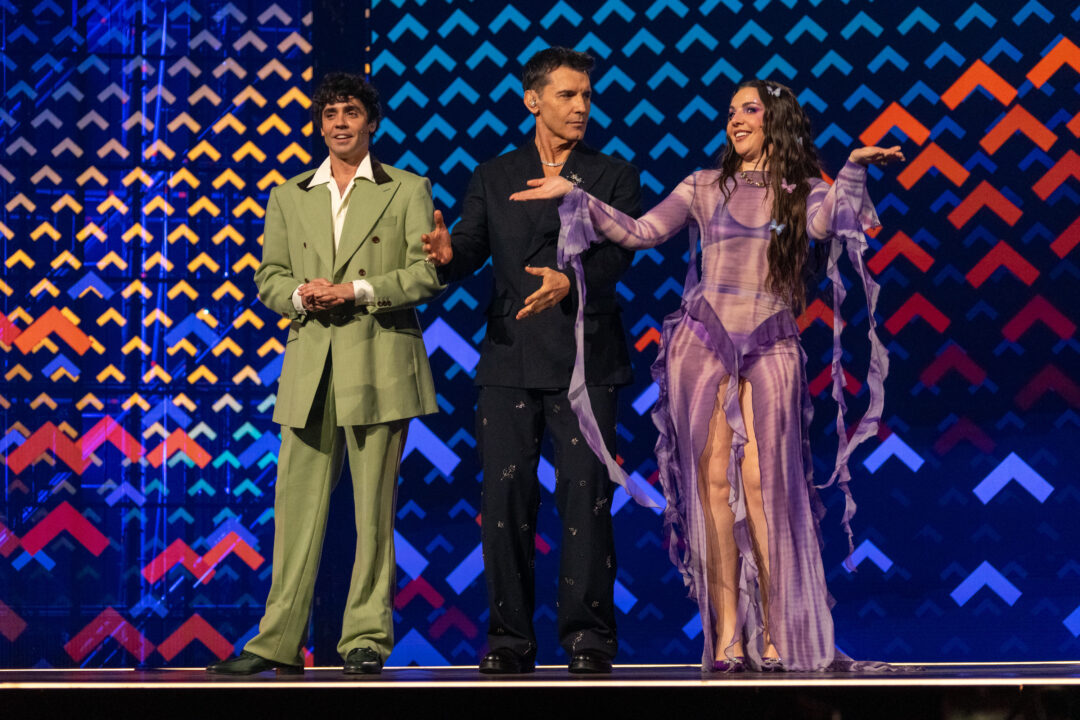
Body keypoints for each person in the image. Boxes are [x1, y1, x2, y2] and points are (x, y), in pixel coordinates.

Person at [510, 79, 903, 672]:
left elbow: (827, 225)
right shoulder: (702, 185)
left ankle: (776, 633)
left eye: (750, 110)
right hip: (705, 342)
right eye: (731, 112)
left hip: (771, 343)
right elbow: (641, 232)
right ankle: (727, 639)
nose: (736, 120)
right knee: (714, 491)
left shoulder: (803, 190)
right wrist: (580, 197)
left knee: (765, 490)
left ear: (778, 120)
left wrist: (850, 169)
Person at [207, 73, 444, 676]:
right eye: (330, 113)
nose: (340, 122)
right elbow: (269, 277)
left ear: (372, 121)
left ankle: (365, 638)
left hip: (379, 362)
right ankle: (277, 643)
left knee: (374, 514)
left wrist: (355, 289)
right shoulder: (290, 195)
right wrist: (301, 297)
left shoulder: (406, 188)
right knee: (295, 513)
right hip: (311, 368)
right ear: (320, 124)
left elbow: (423, 275)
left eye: (352, 112)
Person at [421, 47, 643, 674]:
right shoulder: (495, 174)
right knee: (505, 504)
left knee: (586, 501)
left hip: (585, 359)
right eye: (568, 95)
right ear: (533, 99)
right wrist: (445, 255)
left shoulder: (612, 174)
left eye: (587, 96)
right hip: (510, 357)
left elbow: (618, 255)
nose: (580, 107)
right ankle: (509, 642)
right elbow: (470, 246)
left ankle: (588, 640)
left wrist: (572, 283)